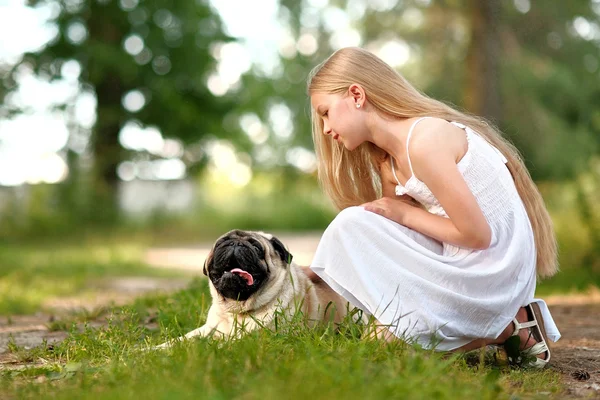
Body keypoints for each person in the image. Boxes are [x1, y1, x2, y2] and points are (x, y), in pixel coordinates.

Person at [304, 47, 561, 369]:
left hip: (492, 268)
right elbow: (392, 241)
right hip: (460, 259)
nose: (326, 128)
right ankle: (504, 326)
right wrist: (317, 271)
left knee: (352, 226)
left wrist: (404, 213)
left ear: (356, 94)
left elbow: (477, 235)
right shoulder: (390, 161)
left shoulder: (425, 141)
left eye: (326, 112)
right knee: (381, 344)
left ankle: (511, 322)